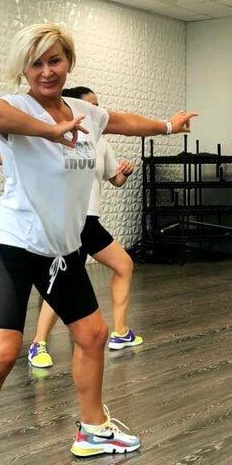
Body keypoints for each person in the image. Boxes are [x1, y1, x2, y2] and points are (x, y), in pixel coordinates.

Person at [0, 23, 196, 465]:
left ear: (68, 62)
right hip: (14, 243)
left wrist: (168, 126)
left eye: (54, 60)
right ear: (24, 69)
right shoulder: (16, 109)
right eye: (36, 63)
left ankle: (93, 430)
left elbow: (122, 121)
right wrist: (48, 131)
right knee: (0, 354)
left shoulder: (86, 112)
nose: (46, 71)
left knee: (94, 335)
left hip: (61, 249)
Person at [27, 86, 142, 370]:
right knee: (62, 284)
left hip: (89, 221)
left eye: (98, 105)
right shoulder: (58, 138)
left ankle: (120, 332)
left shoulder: (101, 142)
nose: (97, 110)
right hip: (68, 219)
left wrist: (124, 173)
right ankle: (38, 343)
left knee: (123, 265)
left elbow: (114, 179)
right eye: (91, 105)